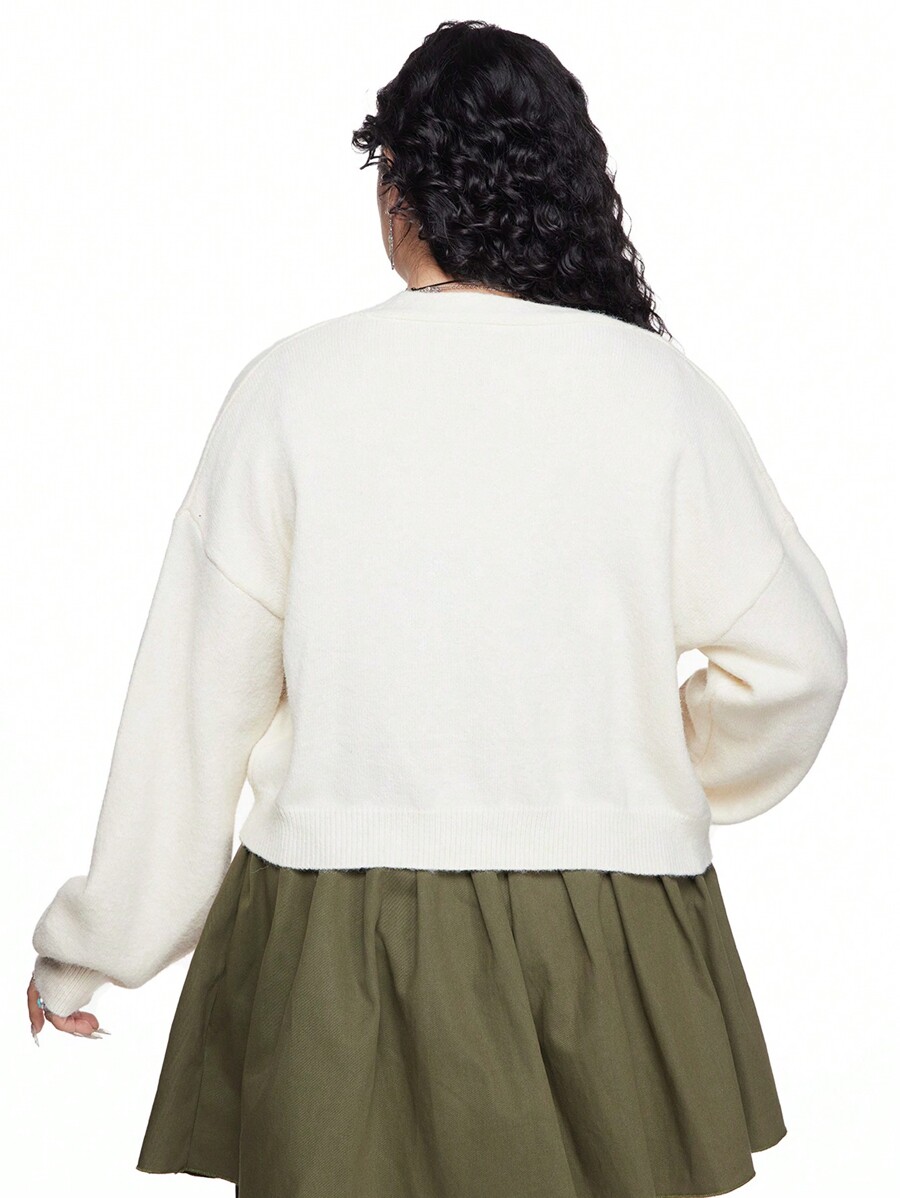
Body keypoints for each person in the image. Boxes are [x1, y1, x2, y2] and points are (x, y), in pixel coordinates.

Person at [28, 18, 847, 1198]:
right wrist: (652, 768)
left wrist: (92, 946)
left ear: (398, 193)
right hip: (606, 935)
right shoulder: (658, 394)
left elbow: (193, 711)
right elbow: (799, 662)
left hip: (337, 940)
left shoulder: (290, 391)